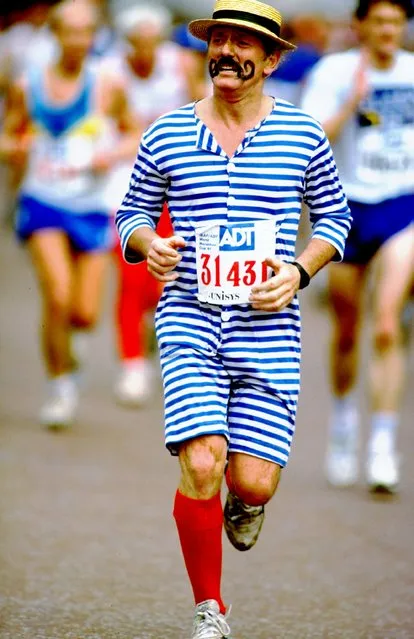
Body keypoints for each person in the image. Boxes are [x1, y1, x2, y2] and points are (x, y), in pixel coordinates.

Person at [116, 0, 351, 635]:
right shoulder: (166, 132)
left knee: (252, 482)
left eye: (245, 44)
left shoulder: (303, 135)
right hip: (189, 316)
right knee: (201, 463)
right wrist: (148, 244)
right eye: (219, 39)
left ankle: (246, 504)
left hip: (269, 325)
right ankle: (210, 610)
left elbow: (336, 219)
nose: (228, 52)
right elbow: (130, 214)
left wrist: (299, 272)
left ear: (271, 60)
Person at [0, 0, 140, 429]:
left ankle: (67, 353)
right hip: (43, 201)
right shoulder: (29, 86)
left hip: (92, 207)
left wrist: (111, 154)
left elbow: (134, 132)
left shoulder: (108, 86)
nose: (78, 40)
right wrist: (16, 148)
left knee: (84, 313)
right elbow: (8, 136)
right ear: (55, 34)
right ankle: (59, 386)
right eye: (70, 31)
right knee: (57, 296)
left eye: (86, 32)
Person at [301, 0, 414, 494]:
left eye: (397, 21)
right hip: (345, 208)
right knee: (347, 329)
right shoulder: (334, 71)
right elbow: (307, 139)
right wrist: (351, 101)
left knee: (387, 324)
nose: (389, 30)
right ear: (361, 26)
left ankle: (383, 446)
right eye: (380, 21)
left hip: (402, 207)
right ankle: (344, 425)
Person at [107, 4, 206, 406]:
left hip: (177, 182)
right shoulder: (110, 73)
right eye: (138, 41)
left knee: (169, 270)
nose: (146, 48)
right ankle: (132, 364)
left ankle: (155, 325)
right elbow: (109, 123)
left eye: (153, 39)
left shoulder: (180, 65)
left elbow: (204, 107)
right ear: (127, 41)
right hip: (125, 179)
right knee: (131, 275)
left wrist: (192, 85)